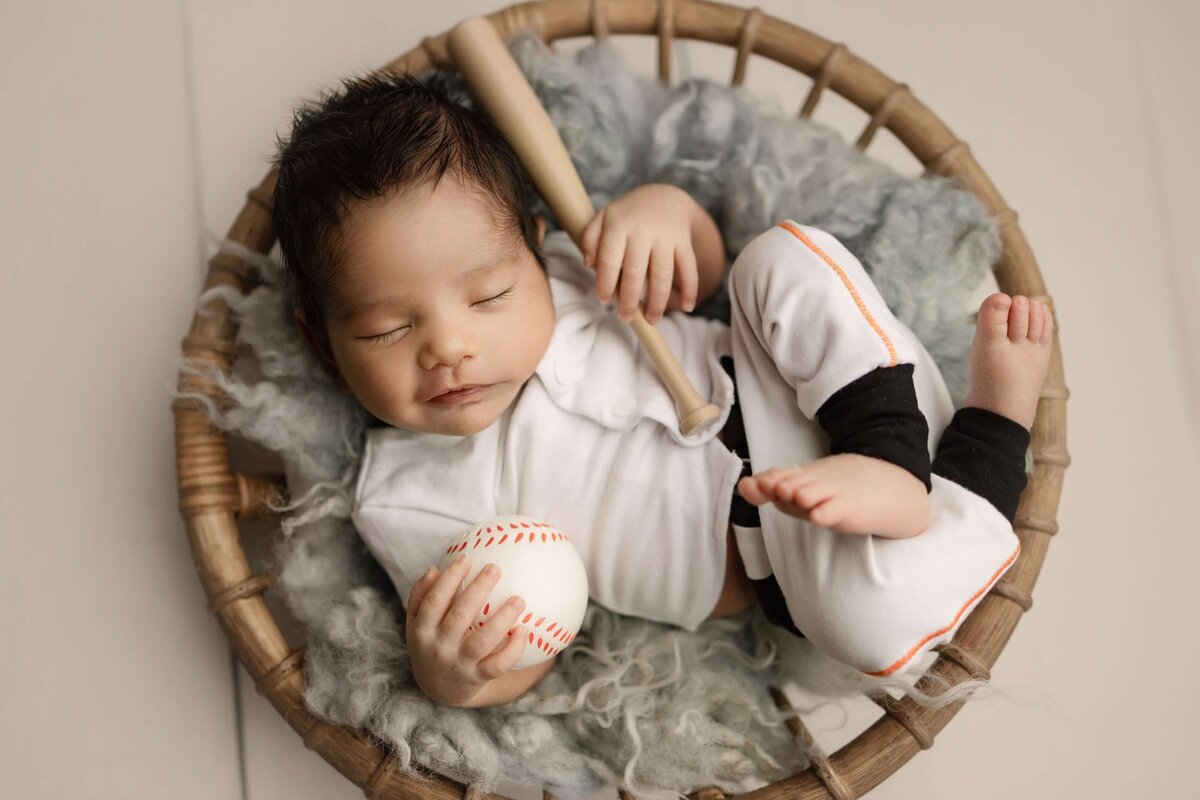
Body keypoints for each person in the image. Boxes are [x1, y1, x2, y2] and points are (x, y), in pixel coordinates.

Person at [271, 72, 1052, 709]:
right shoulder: (404, 498)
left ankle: (892, 460)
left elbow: (700, 274)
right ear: (324, 343)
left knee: (778, 261)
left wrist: (667, 217)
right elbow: (529, 641)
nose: (449, 345)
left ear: (537, 254)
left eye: (486, 297)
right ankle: (993, 431)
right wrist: (458, 673)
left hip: (796, 386)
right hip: (785, 559)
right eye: (385, 330)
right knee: (870, 630)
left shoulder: (579, 270)